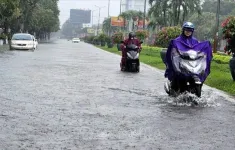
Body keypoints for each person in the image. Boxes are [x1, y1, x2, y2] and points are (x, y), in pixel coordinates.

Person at [164, 21, 200, 92]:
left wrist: (202, 54)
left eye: (190, 30)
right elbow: (173, 51)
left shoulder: (195, 41)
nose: (188, 32)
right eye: (186, 30)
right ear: (183, 30)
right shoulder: (177, 41)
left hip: (191, 63)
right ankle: (173, 87)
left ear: (192, 31)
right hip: (180, 62)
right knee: (178, 74)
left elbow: (198, 50)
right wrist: (176, 54)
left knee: (198, 76)